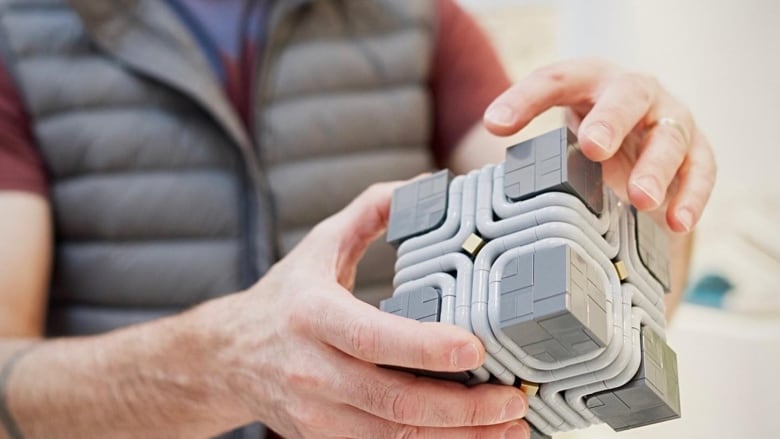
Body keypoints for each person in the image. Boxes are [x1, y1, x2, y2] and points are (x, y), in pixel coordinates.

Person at [0, 0, 715, 438]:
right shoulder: (17, 38)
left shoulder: (418, 15)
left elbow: (583, 259)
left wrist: (644, 197)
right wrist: (222, 364)